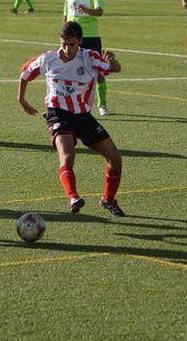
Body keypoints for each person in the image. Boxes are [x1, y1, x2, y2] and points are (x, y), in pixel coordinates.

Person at [18, 21, 125, 216]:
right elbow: (26, 73)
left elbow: (113, 68)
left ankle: (108, 199)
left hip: (83, 116)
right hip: (57, 113)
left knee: (116, 159)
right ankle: (73, 197)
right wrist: (21, 98)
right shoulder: (49, 58)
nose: (67, 49)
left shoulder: (89, 57)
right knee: (67, 155)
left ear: (80, 42)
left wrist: (113, 60)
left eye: (72, 45)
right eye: (64, 44)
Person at [64, 0, 112, 116]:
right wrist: (64, 34)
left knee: (97, 72)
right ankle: (70, 103)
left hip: (91, 35)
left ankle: (103, 104)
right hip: (72, 38)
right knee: (69, 70)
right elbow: (66, 14)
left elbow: (100, 11)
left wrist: (88, 10)